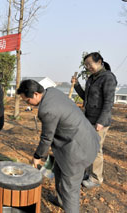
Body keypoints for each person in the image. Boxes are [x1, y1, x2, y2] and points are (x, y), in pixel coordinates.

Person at [17, 79, 100, 212]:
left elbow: (46, 137)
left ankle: (69, 207)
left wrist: (38, 156)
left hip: (78, 149)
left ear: (36, 94)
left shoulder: (46, 110)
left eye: (27, 101)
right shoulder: (51, 92)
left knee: (70, 189)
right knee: (58, 172)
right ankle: (61, 201)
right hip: (76, 140)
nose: (27, 104)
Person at [72, 52, 117, 189]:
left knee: (96, 149)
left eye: (90, 64)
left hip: (100, 121)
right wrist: (76, 85)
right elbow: (85, 97)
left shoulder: (108, 78)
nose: (88, 67)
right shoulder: (92, 78)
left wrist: (101, 121)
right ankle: (87, 173)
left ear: (99, 62)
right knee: (86, 147)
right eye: (86, 65)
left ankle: (96, 178)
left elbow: (109, 102)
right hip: (88, 118)